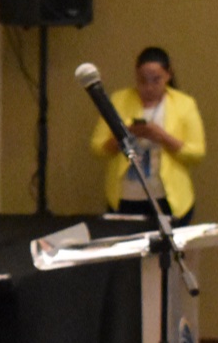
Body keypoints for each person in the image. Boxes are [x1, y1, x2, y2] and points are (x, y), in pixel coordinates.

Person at [87, 46, 205, 222]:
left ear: (168, 75)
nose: (149, 87)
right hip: (126, 198)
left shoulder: (184, 104)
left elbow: (196, 153)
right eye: (142, 80)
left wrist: (162, 137)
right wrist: (125, 135)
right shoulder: (119, 100)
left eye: (156, 80)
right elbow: (97, 148)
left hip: (168, 199)